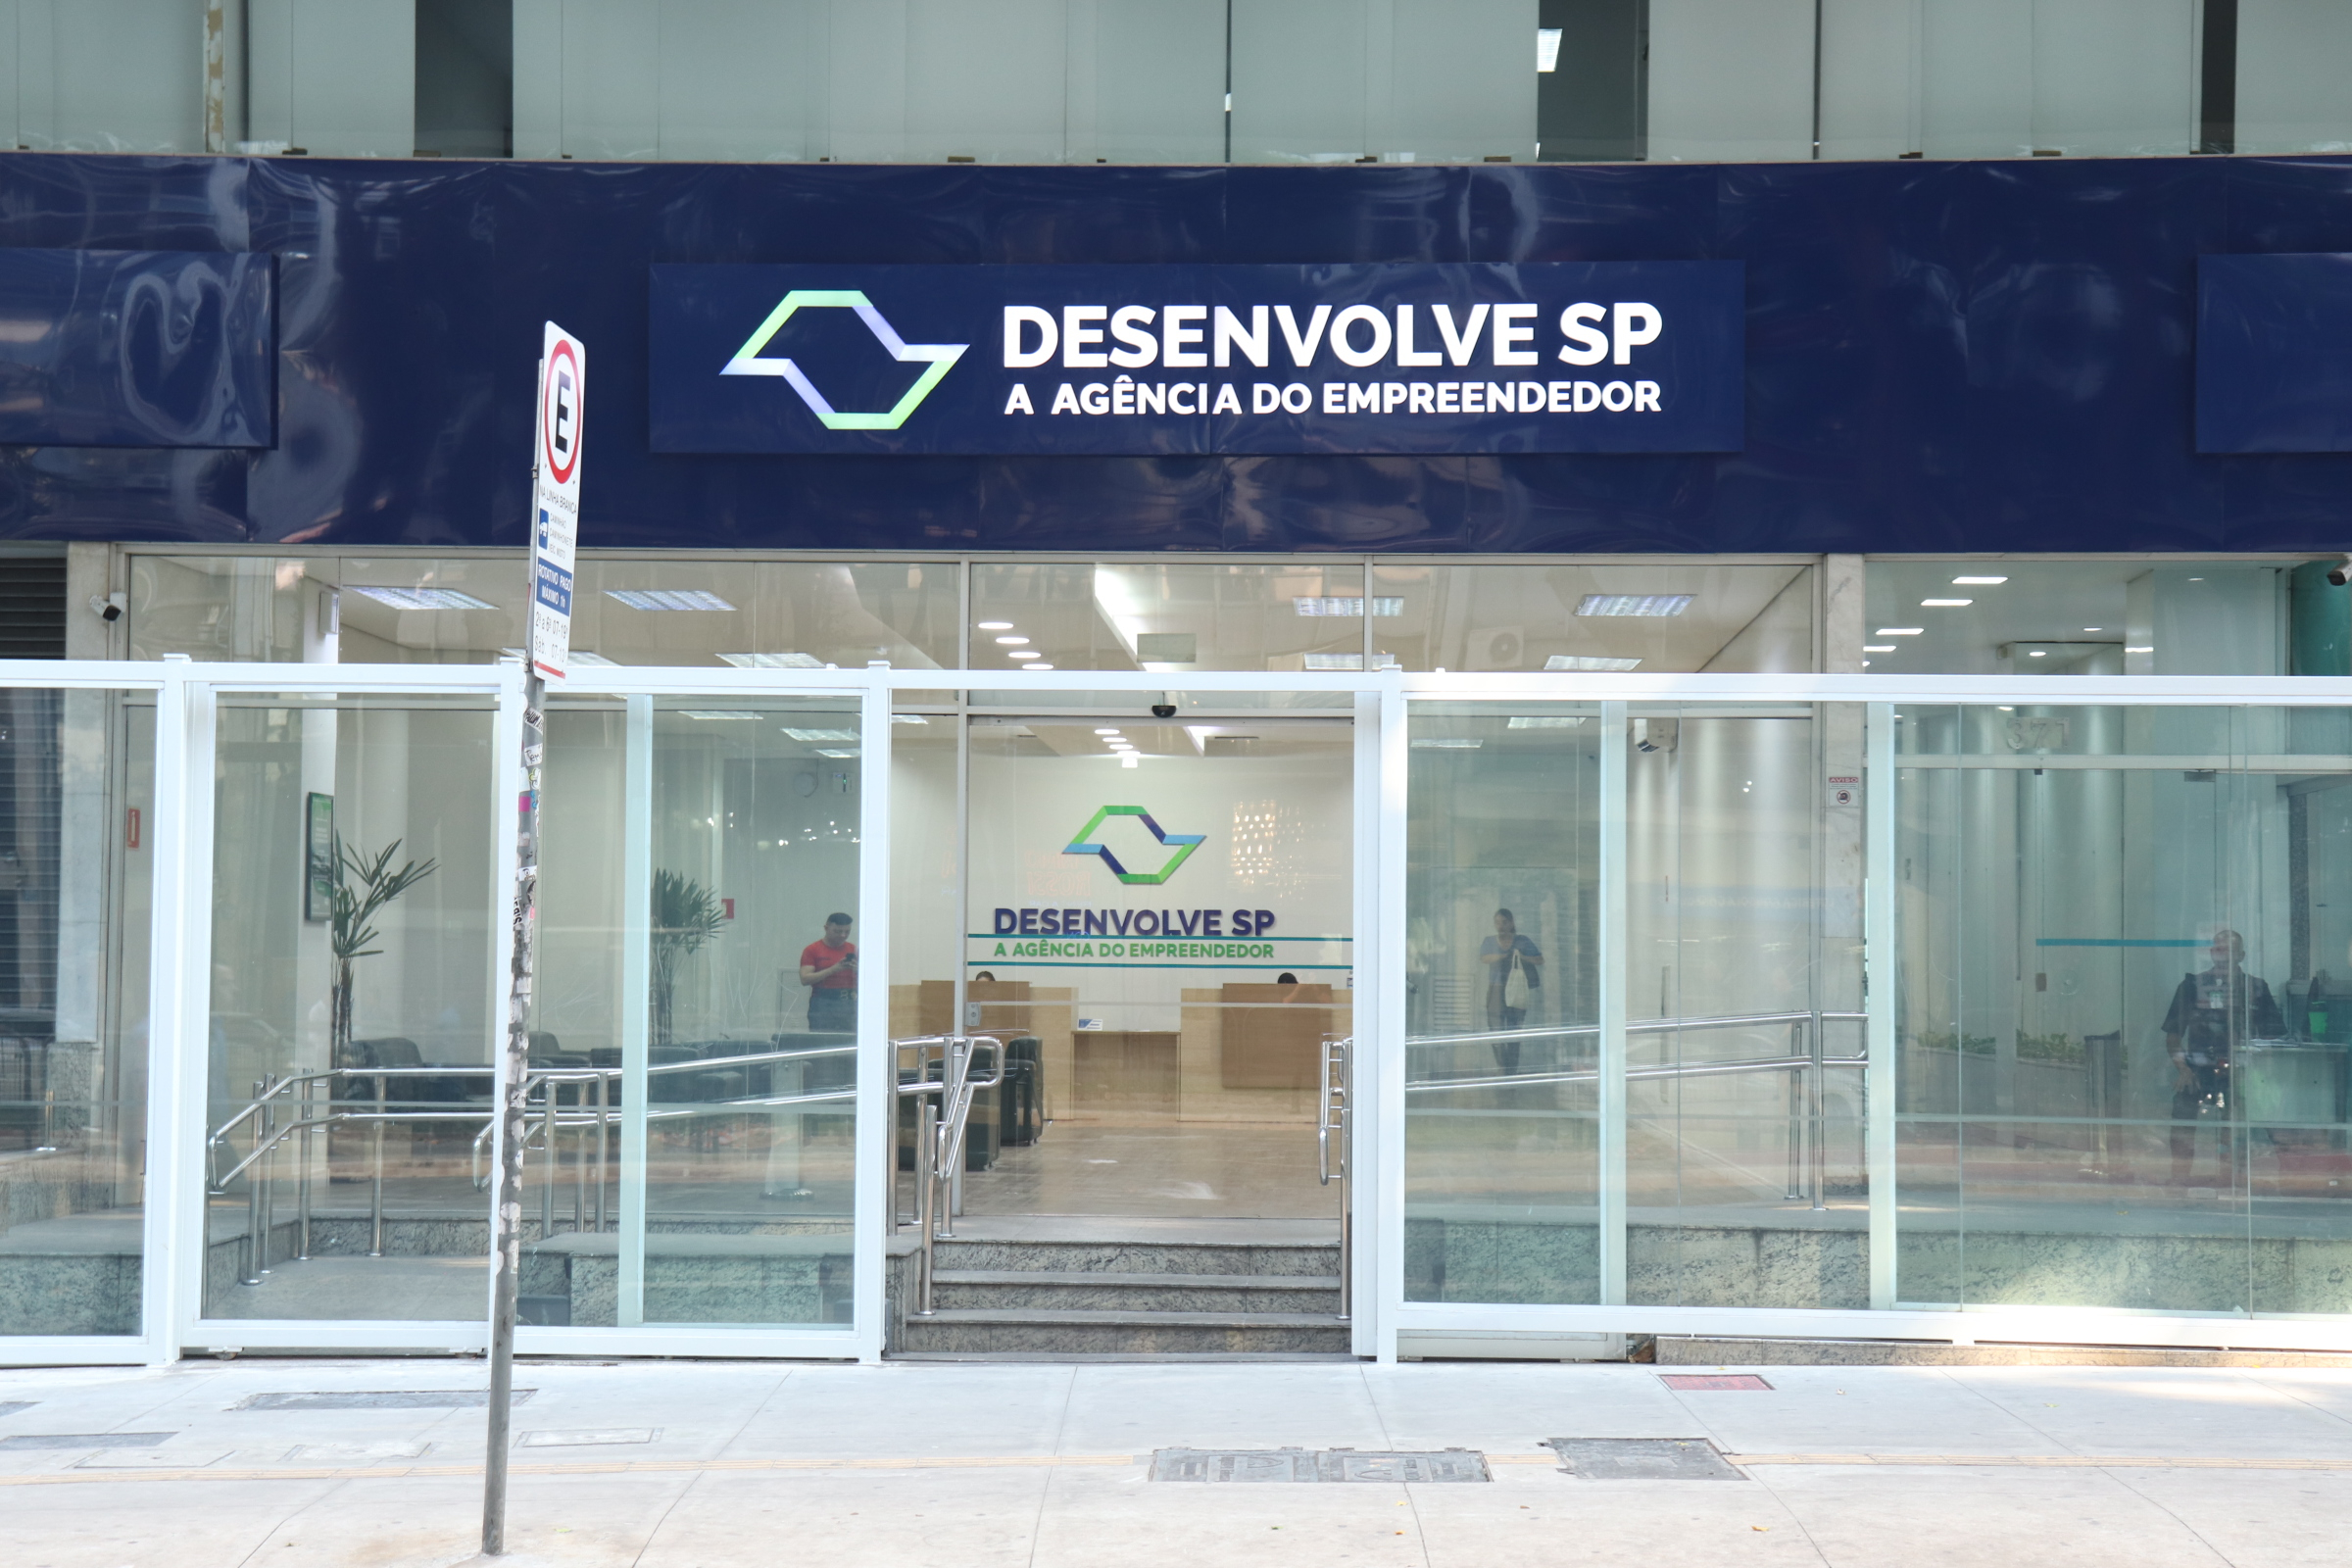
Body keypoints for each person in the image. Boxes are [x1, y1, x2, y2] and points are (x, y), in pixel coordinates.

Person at [2162, 927, 2283, 1187]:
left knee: (2235, 1123)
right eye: (2219, 949)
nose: (2224, 955)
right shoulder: (2192, 986)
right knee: (2182, 1118)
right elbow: (2173, 1037)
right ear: (2211, 953)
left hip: (2241, 1069)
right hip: (2197, 1068)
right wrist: (2183, 1069)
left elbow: (2273, 1039)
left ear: (2242, 955)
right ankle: (2179, 1179)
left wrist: (2258, 1074)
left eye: (2230, 950)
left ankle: (2231, 1181)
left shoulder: (2256, 988)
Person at [1479, 908, 1543, 1075]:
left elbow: (1539, 959)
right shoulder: (1490, 941)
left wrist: (1522, 957)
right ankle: (1503, 1067)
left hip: (1516, 990)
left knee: (1514, 1030)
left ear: (1512, 923)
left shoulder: (1522, 941)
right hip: (1496, 989)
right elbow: (1484, 958)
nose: (1500, 926)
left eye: (1504, 922)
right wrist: (1503, 956)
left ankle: (1511, 1071)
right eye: (1497, 922)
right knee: (1496, 1029)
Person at [798, 912, 858, 1033]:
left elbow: (871, 981)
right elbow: (804, 979)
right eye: (838, 931)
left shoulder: (854, 950)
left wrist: (859, 971)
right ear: (826, 928)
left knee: (850, 1039)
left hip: (850, 1001)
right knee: (822, 1039)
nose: (843, 935)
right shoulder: (812, 950)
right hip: (823, 1002)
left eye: (847, 932)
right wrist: (833, 970)